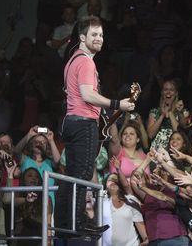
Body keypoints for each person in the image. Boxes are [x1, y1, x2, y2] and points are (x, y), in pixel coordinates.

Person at [54, 15, 134, 236]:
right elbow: (87, 94)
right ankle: (77, 221)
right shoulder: (86, 61)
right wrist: (117, 103)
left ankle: (64, 220)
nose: (99, 39)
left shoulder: (73, 59)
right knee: (82, 173)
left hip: (71, 121)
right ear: (82, 37)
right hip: (82, 122)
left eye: (101, 35)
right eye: (94, 35)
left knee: (72, 173)